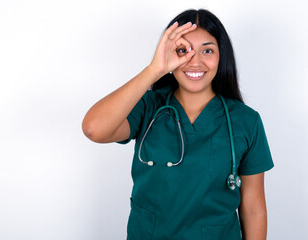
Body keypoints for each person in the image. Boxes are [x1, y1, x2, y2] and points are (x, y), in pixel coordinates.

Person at [82, 9, 274, 240]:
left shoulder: (245, 120)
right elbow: (94, 128)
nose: (195, 61)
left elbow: (253, 209)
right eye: (183, 51)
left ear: (222, 56)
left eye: (208, 50)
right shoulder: (148, 107)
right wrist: (155, 69)